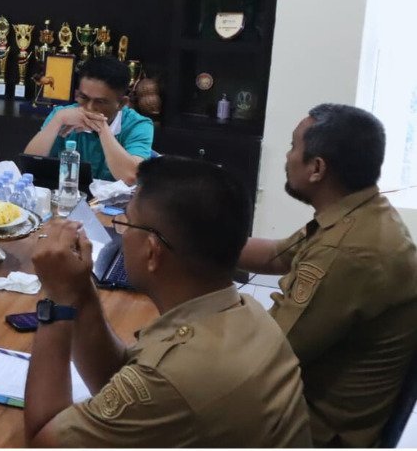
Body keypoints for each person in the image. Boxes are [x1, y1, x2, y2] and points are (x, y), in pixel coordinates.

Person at [24, 156, 311, 446]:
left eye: (127, 223)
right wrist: (78, 287)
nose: (123, 235)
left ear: (152, 251)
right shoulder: (247, 313)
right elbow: (116, 382)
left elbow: (42, 441)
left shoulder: (175, 377)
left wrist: (57, 300)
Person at [238, 104, 417, 447]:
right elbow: (277, 254)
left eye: (293, 146)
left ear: (317, 168)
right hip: (306, 402)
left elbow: (265, 356)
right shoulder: (362, 213)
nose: (287, 156)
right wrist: (192, 240)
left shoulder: (348, 251)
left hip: (315, 430)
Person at [24, 56, 153, 184]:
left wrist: (102, 129)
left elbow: (131, 176)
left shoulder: (139, 125)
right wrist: (57, 120)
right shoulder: (62, 115)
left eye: (100, 101)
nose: (90, 108)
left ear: (121, 103)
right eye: (84, 98)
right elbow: (29, 165)